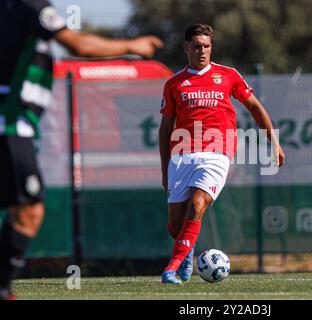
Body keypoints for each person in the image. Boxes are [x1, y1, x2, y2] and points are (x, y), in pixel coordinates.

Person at [0, 0, 163, 300]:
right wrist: (132, 45)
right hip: (10, 127)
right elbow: (80, 44)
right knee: (29, 208)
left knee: (19, 208)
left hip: (12, 126)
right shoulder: (27, 5)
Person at [159, 24, 285, 284]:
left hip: (217, 152)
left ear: (211, 47)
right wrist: (164, 169)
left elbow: (255, 107)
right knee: (175, 224)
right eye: (196, 46)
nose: (202, 50)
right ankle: (187, 250)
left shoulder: (227, 75)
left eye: (206, 46)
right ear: (186, 48)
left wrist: (274, 142)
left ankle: (170, 268)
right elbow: (165, 128)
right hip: (182, 154)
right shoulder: (174, 84)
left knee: (197, 205)